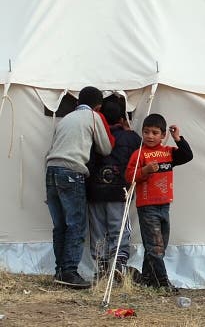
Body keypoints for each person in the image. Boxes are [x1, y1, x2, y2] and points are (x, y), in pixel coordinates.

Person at [45, 86, 115, 289]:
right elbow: (105, 147)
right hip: (71, 172)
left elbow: (52, 148)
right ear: (98, 106)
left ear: (77, 102)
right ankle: (69, 272)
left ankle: (60, 270)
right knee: (76, 224)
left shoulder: (65, 119)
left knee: (60, 226)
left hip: (51, 170)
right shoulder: (94, 116)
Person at [125, 114, 193, 290]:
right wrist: (145, 170)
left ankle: (147, 278)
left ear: (163, 135)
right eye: (146, 132)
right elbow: (128, 176)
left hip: (164, 205)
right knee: (155, 247)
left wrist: (178, 138)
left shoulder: (168, 152)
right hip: (147, 206)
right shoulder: (139, 154)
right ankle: (163, 282)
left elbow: (187, 156)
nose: (150, 136)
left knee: (159, 245)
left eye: (155, 133)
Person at [86, 98, 141, 281]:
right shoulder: (131, 138)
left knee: (98, 229)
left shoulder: (94, 134)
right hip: (119, 192)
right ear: (122, 118)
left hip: (95, 191)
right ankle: (118, 264)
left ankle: (100, 268)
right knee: (119, 228)